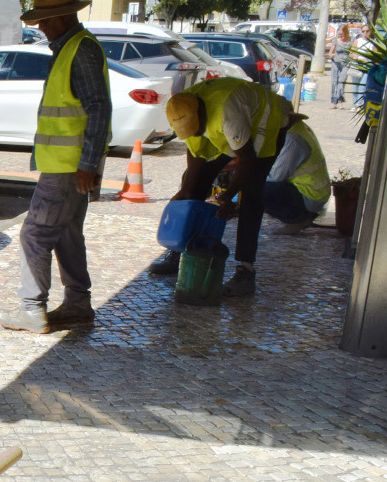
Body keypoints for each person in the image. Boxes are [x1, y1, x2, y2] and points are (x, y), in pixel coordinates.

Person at [0, 0, 111, 334]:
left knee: (35, 233)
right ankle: (77, 304)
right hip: (70, 165)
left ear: (61, 16)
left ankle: (32, 309)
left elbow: (98, 109)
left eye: (43, 20)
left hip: (69, 166)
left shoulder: (80, 50)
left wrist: (87, 163)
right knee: (66, 233)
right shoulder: (70, 48)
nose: (40, 27)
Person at [150, 77, 296, 297]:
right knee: (195, 183)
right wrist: (187, 191)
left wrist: (228, 197)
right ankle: (182, 250)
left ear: (200, 117)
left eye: (197, 130)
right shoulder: (182, 108)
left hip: (268, 123)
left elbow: (248, 160)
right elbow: (196, 154)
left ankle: (246, 271)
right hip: (236, 130)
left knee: (251, 194)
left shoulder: (228, 115)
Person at [262, 119, 330, 233]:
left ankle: (297, 220)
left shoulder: (294, 139)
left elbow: (276, 176)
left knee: (256, 189)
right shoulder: (299, 128)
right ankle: (299, 216)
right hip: (312, 193)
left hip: (309, 196)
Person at [329, 25, 352, 109]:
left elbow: (353, 51)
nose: (340, 36)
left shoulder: (351, 40)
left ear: (346, 32)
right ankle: (334, 101)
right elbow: (330, 52)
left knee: (342, 81)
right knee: (334, 81)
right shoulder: (336, 40)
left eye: (342, 34)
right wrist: (332, 55)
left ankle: (340, 101)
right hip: (336, 62)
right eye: (339, 34)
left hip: (346, 63)